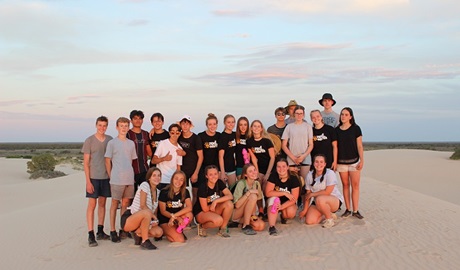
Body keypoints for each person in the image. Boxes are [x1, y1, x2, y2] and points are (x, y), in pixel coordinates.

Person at [104, 117, 137, 243]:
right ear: (117, 127)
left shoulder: (131, 143)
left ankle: (123, 229)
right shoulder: (112, 143)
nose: (123, 128)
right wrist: (110, 175)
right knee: (114, 204)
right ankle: (112, 230)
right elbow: (107, 160)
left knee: (125, 204)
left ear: (128, 127)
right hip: (116, 178)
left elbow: (131, 160)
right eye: (121, 126)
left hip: (129, 178)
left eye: (125, 126)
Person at [82, 116, 113, 247]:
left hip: (106, 177)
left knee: (102, 204)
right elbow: (86, 163)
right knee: (92, 205)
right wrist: (88, 182)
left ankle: (100, 230)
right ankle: (91, 233)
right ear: (96, 125)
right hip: (93, 178)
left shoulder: (110, 140)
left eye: (104, 125)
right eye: (100, 125)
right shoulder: (89, 141)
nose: (102, 128)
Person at [121, 167, 163, 250]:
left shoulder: (158, 192)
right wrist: (153, 218)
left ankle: (138, 234)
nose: (157, 178)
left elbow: (154, 211)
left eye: (159, 176)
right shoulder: (145, 185)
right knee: (146, 212)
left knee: (159, 232)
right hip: (130, 218)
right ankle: (145, 241)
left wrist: (155, 221)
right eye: (154, 175)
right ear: (149, 177)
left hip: (144, 220)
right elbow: (143, 205)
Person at [299, 154, 344, 228]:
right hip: (318, 202)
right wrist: (305, 210)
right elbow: (308, 195)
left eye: (321, 162)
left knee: (320, 199)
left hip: (333, 200)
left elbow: (327, 192)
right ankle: (328, 214)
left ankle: (329, 220)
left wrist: (313, 194)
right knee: (309, 221)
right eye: (316, 162)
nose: (319, 164)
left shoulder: (330, 173)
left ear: (325, 164)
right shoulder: (309, 175)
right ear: (313, 163)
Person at [336, 107, 364, 219]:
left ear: (351, 117)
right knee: (345, 185)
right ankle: (348, 209)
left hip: (354, 162)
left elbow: (360, 145)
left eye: (346, 114)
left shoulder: (356, 129)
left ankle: (355, 210)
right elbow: (336, 147)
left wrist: (362, 160)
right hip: (341, 162)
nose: (343, 116)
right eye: (342, 114)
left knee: (355, 186)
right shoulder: (337, 130)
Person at [193, 165, 234, 238]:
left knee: (229, 204)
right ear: (206, 176)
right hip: (201, 212)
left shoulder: (219, 182)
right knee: (219, 221)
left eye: (215, 174)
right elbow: (205, 209)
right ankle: (203, 226)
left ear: (218, 174)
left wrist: (216, 201)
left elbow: (230, 196)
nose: (213, 176)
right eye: (210, 175)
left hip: (213, 208)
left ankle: (222, 229)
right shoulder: (203, 187)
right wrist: (214, 204)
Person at [246, 120, 276, 217]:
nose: (256, 128)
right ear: (251, 128)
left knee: (266, 190)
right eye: (254, 126)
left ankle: (268, 211)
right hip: (257, 169)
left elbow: (272, 157)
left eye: (258, 126)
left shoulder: (267, 141)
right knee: (257, 189)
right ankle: (261, 210)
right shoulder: (249, 141)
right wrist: (257, 173)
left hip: (269, 169)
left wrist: (267, 173)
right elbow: (253, 158)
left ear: (261, 128)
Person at [265, 159, 300, 236]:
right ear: (276, 168)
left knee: (290, 213)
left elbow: (294, 199)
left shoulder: (293, 178)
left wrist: (281, 207)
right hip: (275, 199)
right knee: (274, 201)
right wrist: (284, 193)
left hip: (287, 202)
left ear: (288, 167)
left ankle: (282, 216)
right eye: (279, 167)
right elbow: (268, 193)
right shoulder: (273, 176)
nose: (281, 169)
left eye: (284, 166)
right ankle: (272, 227)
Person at [158, 171, 193, 243]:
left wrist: (174, 217)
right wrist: (176, 218)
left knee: (189, 214)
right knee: (180, 240)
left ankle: (179, 228)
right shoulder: (164, 192)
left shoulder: (185, 191)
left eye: (181, 179)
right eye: (176, 178)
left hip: (175, 218)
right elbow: (163, 211)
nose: (178, 181)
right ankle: (164, 232)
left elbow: (189, 207)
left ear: (184, 182)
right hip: (165, 219)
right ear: (172, 179)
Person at [282, 105, 313, 181]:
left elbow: (311, 144)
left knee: (305, 183)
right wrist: (293, 157)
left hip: (305, 158)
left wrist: (303, 156)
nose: (299, 115)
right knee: (293, 183)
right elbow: (284, 145)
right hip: (292, 159)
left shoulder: (308, 127)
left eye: (301, 113)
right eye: (297, 113)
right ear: (294, 114)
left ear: (303, 114)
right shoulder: (289, 127)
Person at [232, 164, 266, 235]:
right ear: (245, 175)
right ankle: (246, 225)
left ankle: (239, 224)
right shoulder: (241, 183)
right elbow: (237, 205)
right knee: (253, 196)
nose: (254, 172)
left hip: (248, 212)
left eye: (254, 170)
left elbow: (259, 199)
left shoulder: (256, 183)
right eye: (250, 171)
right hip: (235, 213)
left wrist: (261, 212)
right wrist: (249, 192)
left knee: (260, 226)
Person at [178, 115, 203, 206]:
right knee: (182, 194)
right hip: (182, 169)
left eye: (187, 124)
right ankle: (183, 212)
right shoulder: (178, 136)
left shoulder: (196, 138)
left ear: (190, 125)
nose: (185, 126)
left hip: (194, 169)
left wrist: (196, 172)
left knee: (195, 193)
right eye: (183, 124)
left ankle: (193, 213)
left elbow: (200, 156)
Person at [151, 124, 183, 190]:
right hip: (161, 180)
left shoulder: (179, 149)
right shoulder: (163, 143)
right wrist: (164, 158)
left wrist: (178, 180)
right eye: (172, 132)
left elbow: (178, 167)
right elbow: (153, 160)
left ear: (180, 133)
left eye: (177, 133)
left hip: (172, 181)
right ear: (169, 133)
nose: (175, 135)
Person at [127, 110, 151, 192]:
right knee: (130, 197)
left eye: (140, 118)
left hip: (144, 170)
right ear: (131, 120)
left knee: (144, 195)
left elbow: (149, 152)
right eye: (135, 118)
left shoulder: (146, 134)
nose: (138, 121)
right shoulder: (127, 134)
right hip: (131, 171)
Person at [198, 113, 221, 190]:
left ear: (217, 125)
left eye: (214, 124)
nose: (212, 126)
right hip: (204, 168)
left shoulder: (219, 136)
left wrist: (220, 170)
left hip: (216, 168)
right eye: (210, 124)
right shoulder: (201, 136)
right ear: (206, 125)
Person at [218, 114, 237, 188]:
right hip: (222, 168)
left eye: (233, 122)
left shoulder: (235, 135)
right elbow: (220, 156)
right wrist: (222, 172)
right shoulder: (222, 136)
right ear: (224, 123)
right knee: (221, 191)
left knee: (233, 189)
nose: (231, 124)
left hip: (231, 167)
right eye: (228, 122)